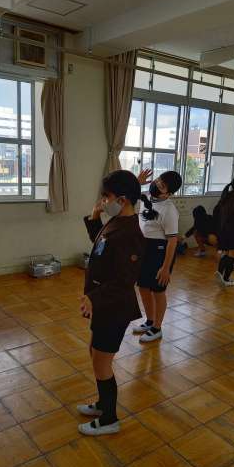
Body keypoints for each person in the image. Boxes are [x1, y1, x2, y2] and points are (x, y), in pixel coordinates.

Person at [78, 170, 144, 436]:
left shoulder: (130, 233)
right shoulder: (116, 222)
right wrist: (95, 217)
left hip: (114, 306)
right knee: (95, 354)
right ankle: (103, 404)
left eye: (106, 197)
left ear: (123, 200)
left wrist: (93, 298)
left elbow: (124, 280)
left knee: (101, 363)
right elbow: (101, 246)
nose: (103, 201)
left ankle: (109, 419)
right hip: (105, 304)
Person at [133, 170, 182, 342]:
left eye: (162, 186)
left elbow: (172, 241)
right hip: (143, 249)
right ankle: (150, 321)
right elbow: (125, 197)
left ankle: (157, 328)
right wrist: (137, 183)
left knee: (158, 291)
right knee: (143, 287)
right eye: (159, 180)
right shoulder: (146, 197)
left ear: (169, 193)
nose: (157, 184)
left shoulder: (169, 210)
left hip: (160, 252)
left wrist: (165, 268)